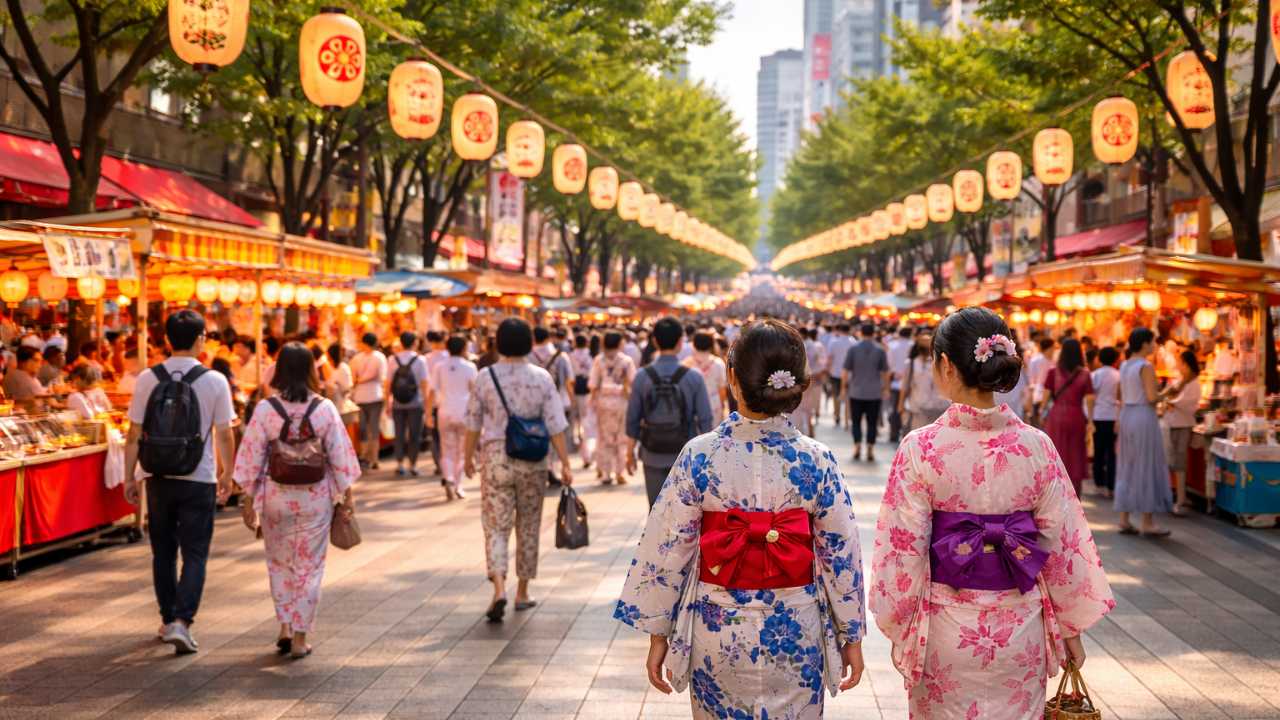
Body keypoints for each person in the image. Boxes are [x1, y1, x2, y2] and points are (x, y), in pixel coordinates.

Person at [869, 307, 1114, 718]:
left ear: (945, 364)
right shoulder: (1036, 446)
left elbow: (904, 548)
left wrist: (900, 624)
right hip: (1020, 627)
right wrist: (1069, 627)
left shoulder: (921, 448)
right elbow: (1062, 542)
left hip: (946, 632)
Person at [615, 319, 866, 718]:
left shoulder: (700, 455)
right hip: (796, 625)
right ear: (797, 383)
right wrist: (850, 634)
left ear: (732, 378)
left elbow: (668, 548)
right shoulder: (817, 459)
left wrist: (658, 632)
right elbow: (841, 553)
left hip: (719, 625)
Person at [233, 342, 359, 659]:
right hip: (315, 499)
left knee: (279, 563)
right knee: (310, 566)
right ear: (311, 371)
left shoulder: (265, 410)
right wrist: (347, 498)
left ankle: (285, 626)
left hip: (275, 497)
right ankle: (301, 636)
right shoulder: (325, 408)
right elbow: (341, 458)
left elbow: (251, 459)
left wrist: (248, 500)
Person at [122, 310, 236, 654]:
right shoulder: (215, 380)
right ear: (200, 338)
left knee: (163, 552)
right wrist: (228, 473)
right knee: (196, 553)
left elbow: (134, 433)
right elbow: (225, 433)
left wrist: (130, 476)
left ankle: (167, 618)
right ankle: (182, 623)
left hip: (157, 476)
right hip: (198, 477)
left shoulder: (147, 378)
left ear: (168, 340)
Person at [463, 319, 573, 623]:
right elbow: (556, 423)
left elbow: (472, 421)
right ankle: (522, 591)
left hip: (496, 455)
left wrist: (467, 457)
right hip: (533, 458)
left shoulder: (485, 377)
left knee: (495, 525)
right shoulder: (541, 377)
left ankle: (498, 586)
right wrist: (564, 462)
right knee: (528, 523)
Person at [625, 317, 713, 507]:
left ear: (655, 340)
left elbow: (632, 418)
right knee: (686, 515)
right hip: (686, 454)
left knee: (655, 509)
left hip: (651, 451)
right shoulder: (694, 377)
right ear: (681, 342)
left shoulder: (642, 377)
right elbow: (706, 419)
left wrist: (629, 452)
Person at [1115, 327, 1174, 537]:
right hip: (1143, 416)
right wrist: (1168, 391)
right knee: (1147, 464)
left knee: (1128, 465)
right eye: (1153, 342)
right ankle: (1147, 521)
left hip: (1127, 415)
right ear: (1145, 343)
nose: (1155, 345)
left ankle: (1124, 518)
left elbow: (1121, 395)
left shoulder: (1125, 365)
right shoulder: (1145, 366)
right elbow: (1151, 397)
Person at [427, 335, 477, 500]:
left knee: (446, 449)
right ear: (464, 348)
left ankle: (448, 477)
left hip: (444, 411)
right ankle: (458, 484)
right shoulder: (469, 367)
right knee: (461, 451)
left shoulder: (439, 366)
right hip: (464, 412)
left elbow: (432, 391)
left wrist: (428, 414)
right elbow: (475, 392)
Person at [1043, 338, 1095, 497]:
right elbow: (1090, 399)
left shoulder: (1053, 372)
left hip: (1056, 416)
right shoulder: (1085, 374)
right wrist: (1091, 421)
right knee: (1075, 456)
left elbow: (1045, 399)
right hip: (1076, 416)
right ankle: (1075, 497)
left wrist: (1041, 414)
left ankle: (1055, 495)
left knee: (1056, 455)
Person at [589, 331, 636, 485]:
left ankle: (606, 473)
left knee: (604, 438)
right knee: (621, 437)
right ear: (619, 343)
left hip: (603, 402)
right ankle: (619, 472)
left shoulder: (598, 360)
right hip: (622, 402)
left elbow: (593, 384)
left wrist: (593, 401)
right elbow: (632, 381)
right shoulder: (626, 361)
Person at [841, 323, 889, 462]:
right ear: (873, 333)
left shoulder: (853, 349)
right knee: (872, 421)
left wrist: (844, 388)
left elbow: (845, 371)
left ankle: (857, 446)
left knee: (855, 421)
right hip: (874, 392)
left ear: (861, 333)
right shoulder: (880, 350)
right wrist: (886, 388)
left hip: (856, 391)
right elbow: (885, 372)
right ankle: (870, 449)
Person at [1162, 349, 1201, 517]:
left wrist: (1171, 402)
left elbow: (1187, 403)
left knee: (1180, 459)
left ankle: (1181, 498)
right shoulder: (1182, 381)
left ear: (1186, 364)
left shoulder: (1193, 383)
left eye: (1180, 362)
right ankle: (1178, 495)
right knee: (1174, 459)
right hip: (1174, 423)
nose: (1178, 365)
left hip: (1183, 424)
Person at [386, 331, 429, 477]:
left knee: (399, 433)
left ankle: (399, 464)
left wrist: (387, 402)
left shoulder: (392, 359)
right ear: (415, 343)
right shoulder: (420, 360)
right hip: (416, 403)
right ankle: (413, 465)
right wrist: (426, 403)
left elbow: (387, 384)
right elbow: (424, 384)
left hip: (397, 402)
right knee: (414, 435)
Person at [898, 332, 949, 432]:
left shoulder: (941, 363)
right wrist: (900, 404)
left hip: (940, 408)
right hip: (918, 409)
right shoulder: (911, 363)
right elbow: (905, 385)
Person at [349, 333, 387, 470]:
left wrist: (358, 381)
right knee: (372, 427)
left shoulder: (357, 358)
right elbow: (382, 377)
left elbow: (352, 377)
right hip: (375, 395)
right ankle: (373, 458)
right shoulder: (380, 357)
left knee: (364, 428)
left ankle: (366, 456)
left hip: (361, 396)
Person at [1090, 346, 1122, 499]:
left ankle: (1098, 484)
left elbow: (1091, 395)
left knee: (1098, 451)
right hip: (1113, 416)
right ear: (1116, 359)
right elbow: (1120, 397)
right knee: (1111, 453)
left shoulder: (1095, 375)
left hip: (1098, 415)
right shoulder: (1118, 375)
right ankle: (1111, 486)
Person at [683, 330, 728, 426]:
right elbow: (722, 389)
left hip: (692, 405)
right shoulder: (718, 363)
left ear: (694, 344)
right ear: (711, 345)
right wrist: (721, 404)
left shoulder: (686, 364)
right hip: (714, 403)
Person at [794, 327, 828, 435]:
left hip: (806, 377)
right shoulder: (812, 345)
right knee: (808, 407)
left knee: (803, 406)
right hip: (811, 377)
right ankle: (810, 428)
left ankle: (806, 429)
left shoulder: (805, 345)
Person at [886, 326, 914, 442]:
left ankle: (893, 433)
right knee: (908, 409)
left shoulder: (892, 346)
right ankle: (905, 432)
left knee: (895, 408)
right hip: (910, 383)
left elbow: (889, 365)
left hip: (895, 381)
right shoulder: (913, 345)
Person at [824, 323, 854, 427]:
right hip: (850, 374)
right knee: (848, 397)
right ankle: (847, 419)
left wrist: (827, 370)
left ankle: (837, 415)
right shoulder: (853, 342)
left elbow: (829, 358)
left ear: (840, 330)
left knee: (835, 395)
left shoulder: (834, 342)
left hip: (835, 372)